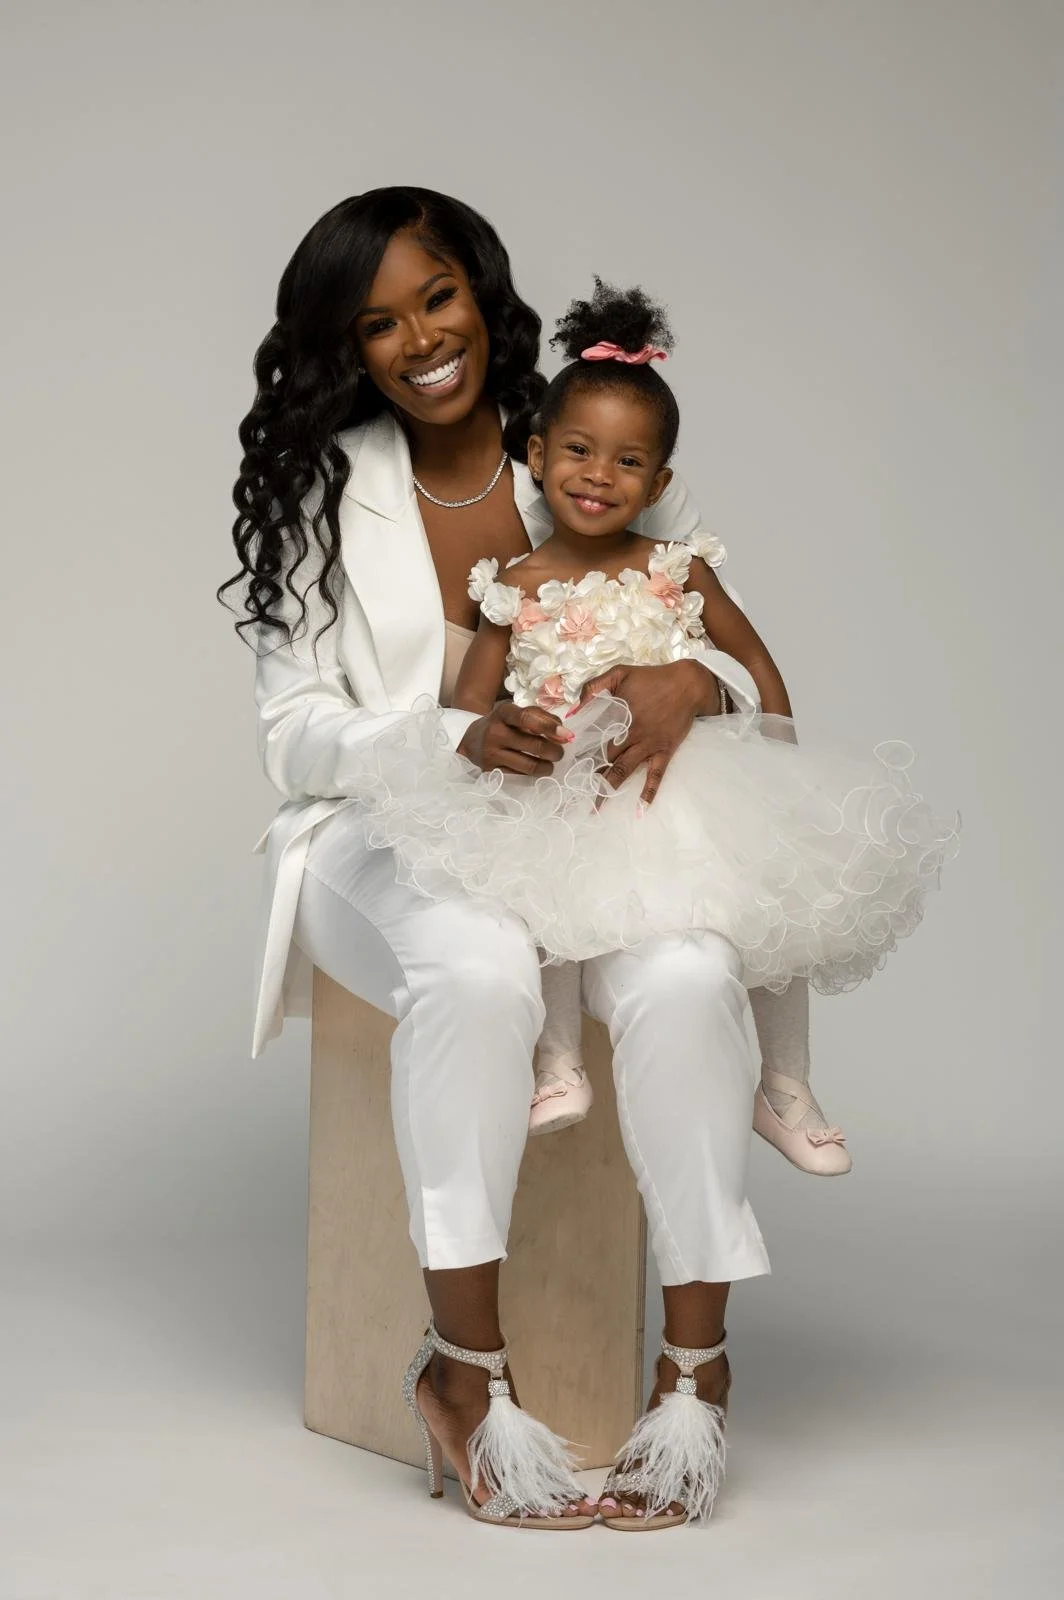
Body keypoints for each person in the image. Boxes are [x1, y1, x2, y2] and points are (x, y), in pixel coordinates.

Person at [222, 187, 821, 1531]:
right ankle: (464, 1373)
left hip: (602, 825)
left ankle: (696, 1375)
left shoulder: (581, 435)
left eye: (436, 297)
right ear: (344, 347)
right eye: (377, 322)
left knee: (687, 972)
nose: (420, 339)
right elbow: (292, 734)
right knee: (481, 966)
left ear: (480, 293)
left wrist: (695, 686)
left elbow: (716, 638)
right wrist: (454, 737)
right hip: (387, 827)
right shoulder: (322, 487)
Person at [338, 279, 957, 1173]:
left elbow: (755, 662)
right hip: (565, 791)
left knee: (770, 906)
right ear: (538, 455)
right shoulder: (511, 584)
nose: (599, 475)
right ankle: (557, 1065)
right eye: (579, 451)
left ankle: (786, 1085)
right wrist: (491, 729)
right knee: (541, 891)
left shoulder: (676, 566)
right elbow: (468, 708)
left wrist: (779, 773)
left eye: (628, 462)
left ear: (659, 483)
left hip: (679, 782)